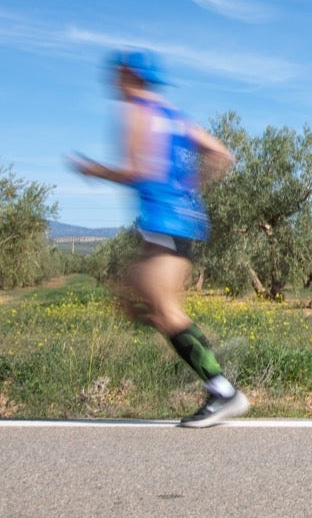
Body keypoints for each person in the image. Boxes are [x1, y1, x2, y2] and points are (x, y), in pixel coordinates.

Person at [70, 51, 248, 428]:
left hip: (163, 221)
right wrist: (191, 188)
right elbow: (222, 154)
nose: (113, 81)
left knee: (165, 310)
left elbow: (137, 170)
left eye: (118, 75)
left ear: (132, 77)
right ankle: (208, 370)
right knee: (133, 290)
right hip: (181, 222)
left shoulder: (137, 112)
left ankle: (223, 390)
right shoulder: (172, 115)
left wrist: (94, 170)